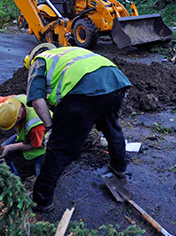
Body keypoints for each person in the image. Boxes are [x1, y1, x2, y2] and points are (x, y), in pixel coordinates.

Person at [24, 43, 132, 213]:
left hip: (83, 92)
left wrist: (50, 126)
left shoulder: (39, 61)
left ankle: (41, 199)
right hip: (115, 80)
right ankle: (119, 168)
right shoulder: (69, 52)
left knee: (59, 148)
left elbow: (37, 101)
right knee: (112, 128)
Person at [0, 93, 52, 178]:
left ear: (17, 119)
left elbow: (35, 145)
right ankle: (16, 184)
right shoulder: (12, 103)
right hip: (26, 136)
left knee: (42, 177)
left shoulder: (35, 125)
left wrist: (11, 147)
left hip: (43, 145)